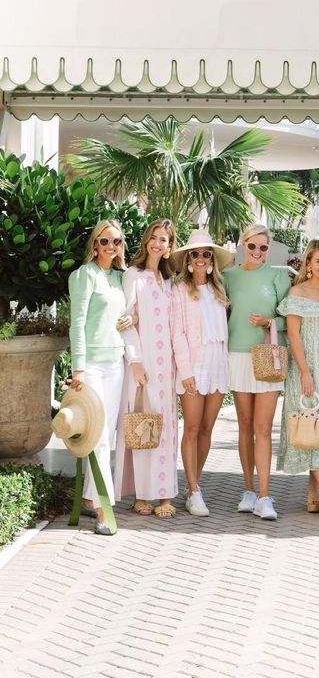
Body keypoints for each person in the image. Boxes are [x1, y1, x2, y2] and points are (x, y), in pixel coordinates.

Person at [68, 219, 132, 535]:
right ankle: (104, 510)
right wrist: (77, 367)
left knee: (105, 433)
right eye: (105, 241)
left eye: (116, 242)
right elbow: (76, 324)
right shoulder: (83, 276)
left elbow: (130, 312)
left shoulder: (122, 278)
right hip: (91, 364)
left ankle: (89, 498)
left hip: (116, 362)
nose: (110, 247)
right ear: (95, 244)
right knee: (100, 436)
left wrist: (131, 317)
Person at [223, 225, 291, 521]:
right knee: (245, 427)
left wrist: (269, 321)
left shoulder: (279, 276)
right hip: (237, 356)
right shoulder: (227, 277)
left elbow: (290, 316)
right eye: (252, 246)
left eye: (263, 248)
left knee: (263, 430)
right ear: (242, 245)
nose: (258, 252)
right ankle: (248, 491)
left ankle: (265, 495)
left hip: (268, 358)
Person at [114, 219, 178, 520]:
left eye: (163, 239)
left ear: (170, 247)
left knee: (166, 429)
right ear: (146, 241)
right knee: (142, 425)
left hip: (169, 368)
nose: (157, 243)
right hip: (143, 364)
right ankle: (142, 494)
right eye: (154, 238)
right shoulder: (133, 275)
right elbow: (124, 319)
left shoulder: (171, 281)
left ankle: (165, 494)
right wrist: (135, 361)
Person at [277, 239, 319, 517]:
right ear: (308, 263)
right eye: (318, 261)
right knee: (308, 421)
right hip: (306, 366)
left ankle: (312, 493)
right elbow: (293, 335)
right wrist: (305, 371)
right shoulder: (297, 292)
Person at [170, 228, 234, 517]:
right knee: (192, 427)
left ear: (211, 259)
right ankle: (193, 489)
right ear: (187, 259)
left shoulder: (219, 290)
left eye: (205, 254)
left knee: (208, 427)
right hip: (193, 365)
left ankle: (195, 484)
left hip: (218, 363)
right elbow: (177, 333)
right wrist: (185, 369)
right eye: (194, 254)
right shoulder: (179, 290)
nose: (200, 258)